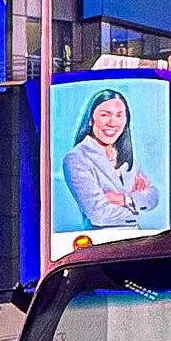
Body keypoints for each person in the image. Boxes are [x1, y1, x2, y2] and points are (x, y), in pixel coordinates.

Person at [60, 88, 161, 235]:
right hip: (101, 241)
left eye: (119, 115)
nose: (113, 123)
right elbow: (98, 214)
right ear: (90, 119)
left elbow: (153, 196)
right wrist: (136, 208)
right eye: (105, 115)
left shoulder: (126, 156)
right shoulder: (76, 158)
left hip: (136, 238)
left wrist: (125, 199)